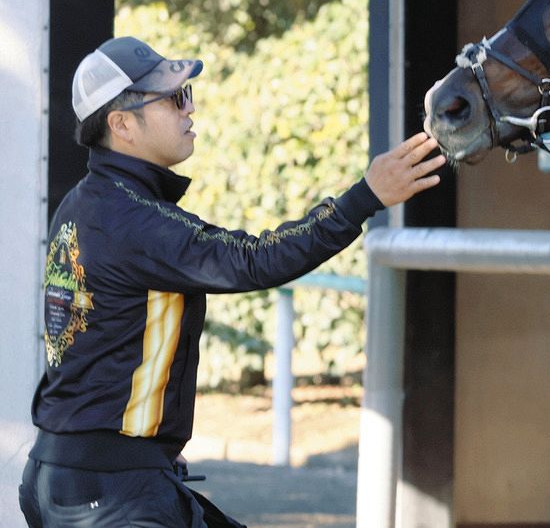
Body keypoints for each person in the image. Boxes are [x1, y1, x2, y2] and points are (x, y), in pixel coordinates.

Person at [20, 35, 446, 527]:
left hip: (74, 476)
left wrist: (146, 449)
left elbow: (95, 348)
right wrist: (364, 197)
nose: (190, 108)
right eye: (174, 98)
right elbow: (254, 260)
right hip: (109, 495)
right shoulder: (132, 220)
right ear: (121, 125)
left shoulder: (85, 202)